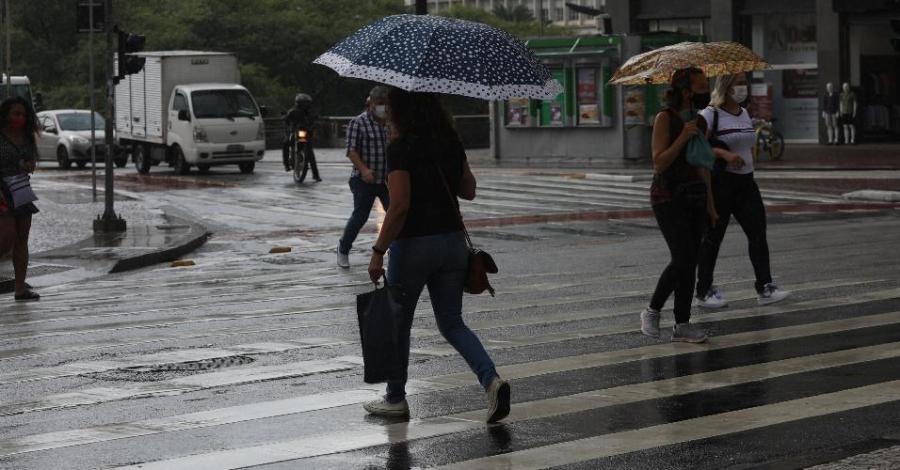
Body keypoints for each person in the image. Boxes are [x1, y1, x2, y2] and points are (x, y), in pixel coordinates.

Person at [364, 88, 510, 423]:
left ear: (399, 110)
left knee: (399, 324)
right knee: (452, 322)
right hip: (453, 243)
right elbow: (469, 191)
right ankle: (491, 380)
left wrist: (377, 251)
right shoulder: (450, 142)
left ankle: (395, 398)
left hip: (414, 243)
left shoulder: (401, 148)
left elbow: (399, 206)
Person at [694, 73, 791, 309]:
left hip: (747, 183)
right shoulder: (709, 115)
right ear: (726, 87)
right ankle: (704, 290)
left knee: (758, 234)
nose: (744, 87)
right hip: (721, 184)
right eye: (739, 83)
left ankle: (765, 286)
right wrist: (725, 154)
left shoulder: (744, 113)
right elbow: (697, 147)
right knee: (713, 239)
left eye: (744, 83)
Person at [640, 67, 716, 343]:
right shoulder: (665, 118)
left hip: (694, 195)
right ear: (685, 90)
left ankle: (682, 323)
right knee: (682, 257)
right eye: (700, 86)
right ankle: (652, 310)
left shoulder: (701, 122)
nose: (705, 91)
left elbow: (702, 166)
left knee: (691, 260)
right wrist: (683, 136)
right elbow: (659, 162)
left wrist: (711, 205)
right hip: (667, 195)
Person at [337, 87, 391, 268]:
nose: (382, 108)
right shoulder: (358, 123)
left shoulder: (390, 123)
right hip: (363, 180)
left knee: (395, 214)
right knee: (360, 216)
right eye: (379, 104)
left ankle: (398, 249)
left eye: (385, 104)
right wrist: (364, 170)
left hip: (386, 180)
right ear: (371, 104)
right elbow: (351, 151)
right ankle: (343, 248)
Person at [0, 96, 40, 301]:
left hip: (21, 190)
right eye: (16, 114)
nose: (20, 118)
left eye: (23, 114)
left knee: (22, 239)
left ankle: (20, 288)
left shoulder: (26, 136)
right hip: (2, 190)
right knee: (6, 239)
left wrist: (28, 165)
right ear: (6, 114)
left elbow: (32, 161)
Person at [282, 93, 321, 181]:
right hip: (298, 132)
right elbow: (286, 120)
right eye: (304, 103)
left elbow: (316, 120)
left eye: (307, 103)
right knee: (286, 143)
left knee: (309, 152)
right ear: (299, 103)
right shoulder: (293, 111)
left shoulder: (310, 112)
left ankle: (316, 175)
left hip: (304, 133)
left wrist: (314, 126)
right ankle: (287, 164)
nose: (306, 105)